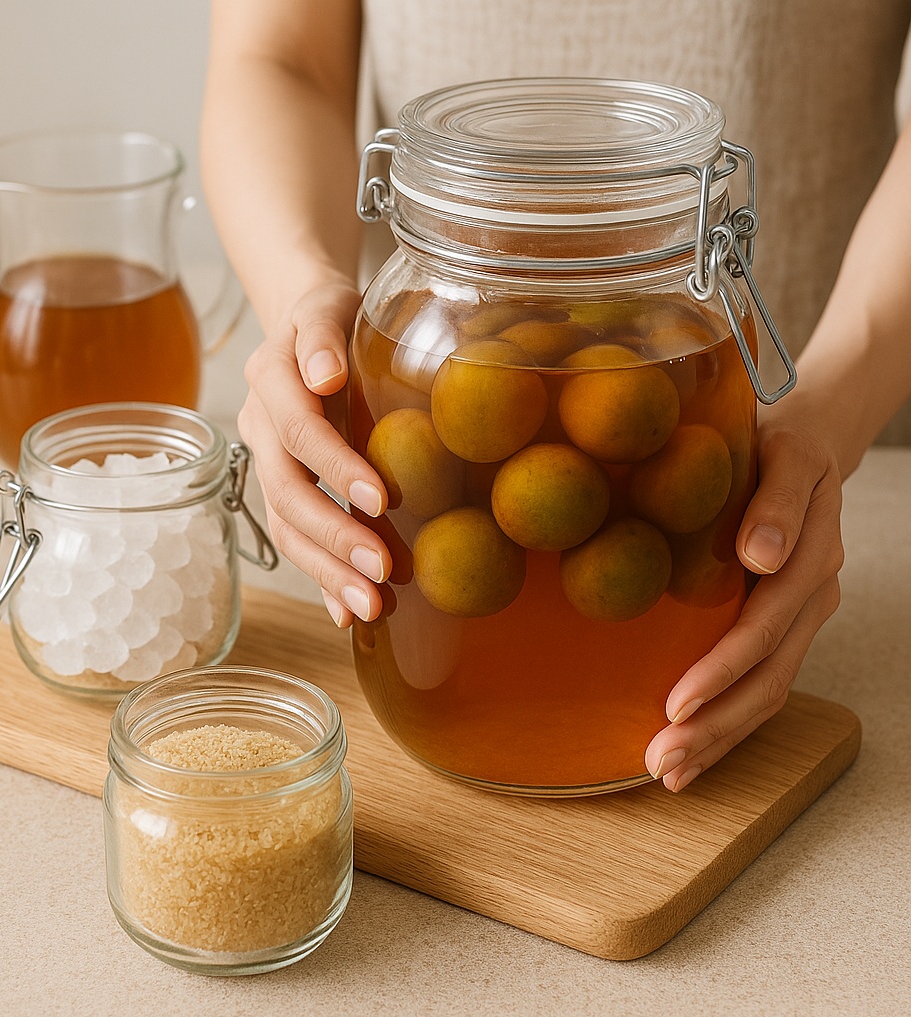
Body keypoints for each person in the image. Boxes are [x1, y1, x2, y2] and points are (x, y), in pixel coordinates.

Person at [199, 0, 911, 791]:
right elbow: (280, 57)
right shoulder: (414, 351)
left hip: (832, 350)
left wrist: (835, 398)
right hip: (443, 266)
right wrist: (306, 298)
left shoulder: (698, 357)